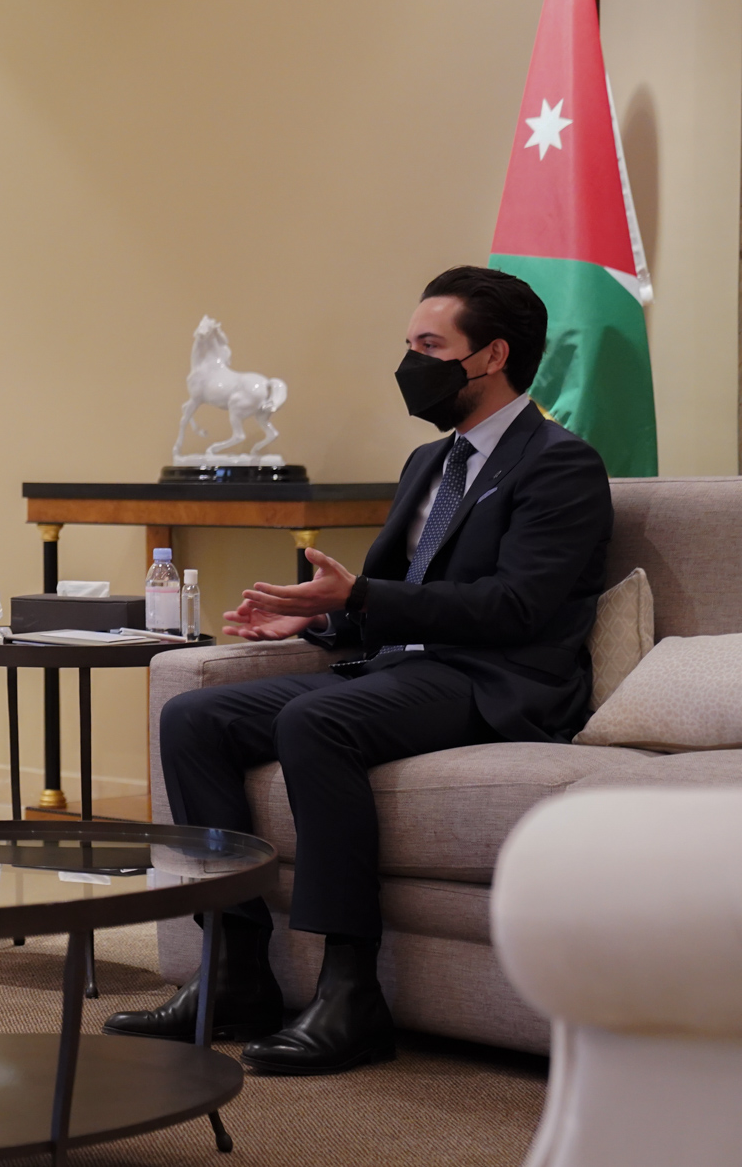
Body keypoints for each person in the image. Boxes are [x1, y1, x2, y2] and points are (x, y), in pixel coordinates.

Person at [105, 267, 612, 1074]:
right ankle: (233, 970)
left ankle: (351, 994)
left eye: (429, 346)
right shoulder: (427, 462)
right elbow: (394, 595)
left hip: (495, 679)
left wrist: (364, 597)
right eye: (409, 344)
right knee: (196, 717)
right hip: (401, 668)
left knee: (318, 720)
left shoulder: (561, 464)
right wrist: (319, 620)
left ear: (492, 356)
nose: (411, 363)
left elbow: (517, 608)